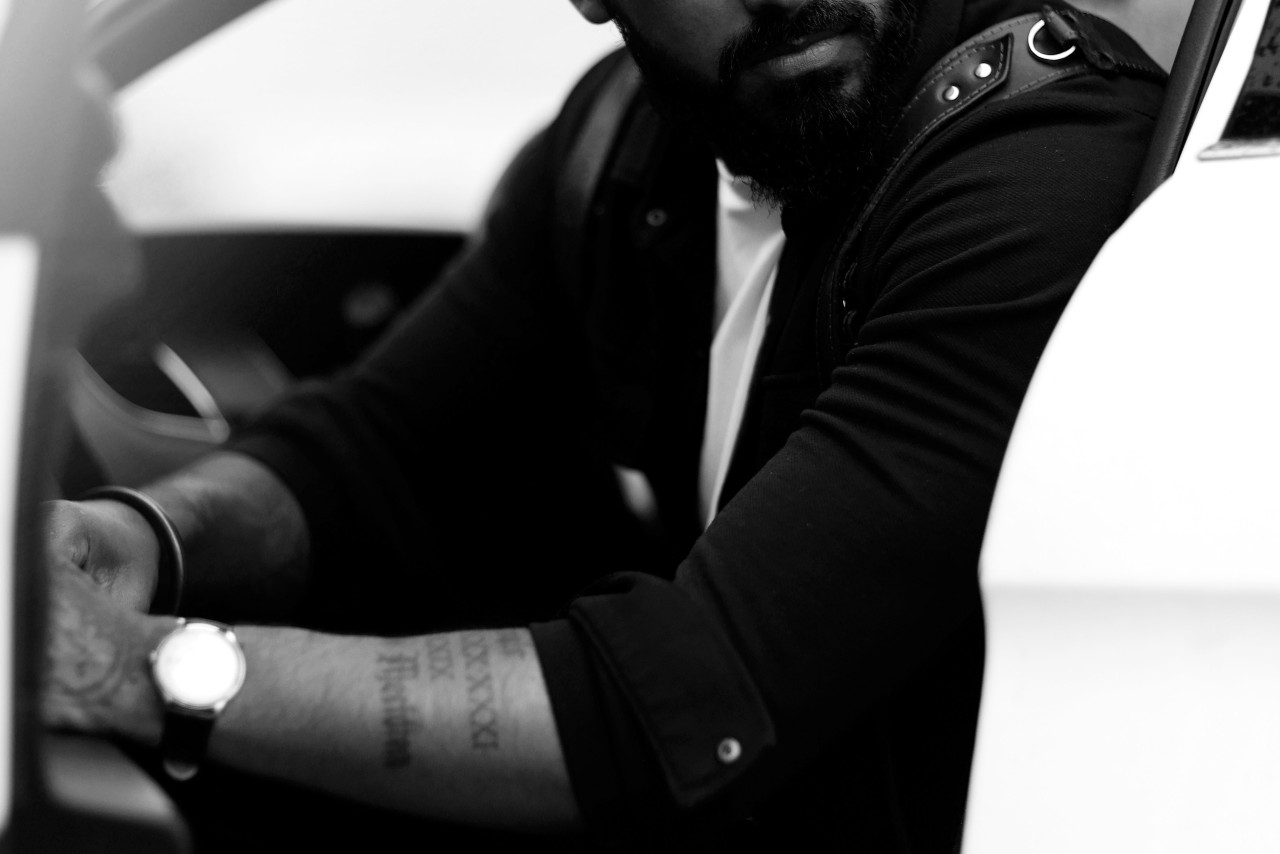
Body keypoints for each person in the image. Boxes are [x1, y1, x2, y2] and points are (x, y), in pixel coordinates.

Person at [42, 0, 1166, 851]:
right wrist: (132, 535)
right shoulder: (622, 146)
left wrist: (137, 670)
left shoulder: (1034, 169)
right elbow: (371, 448)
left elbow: (673, 701)